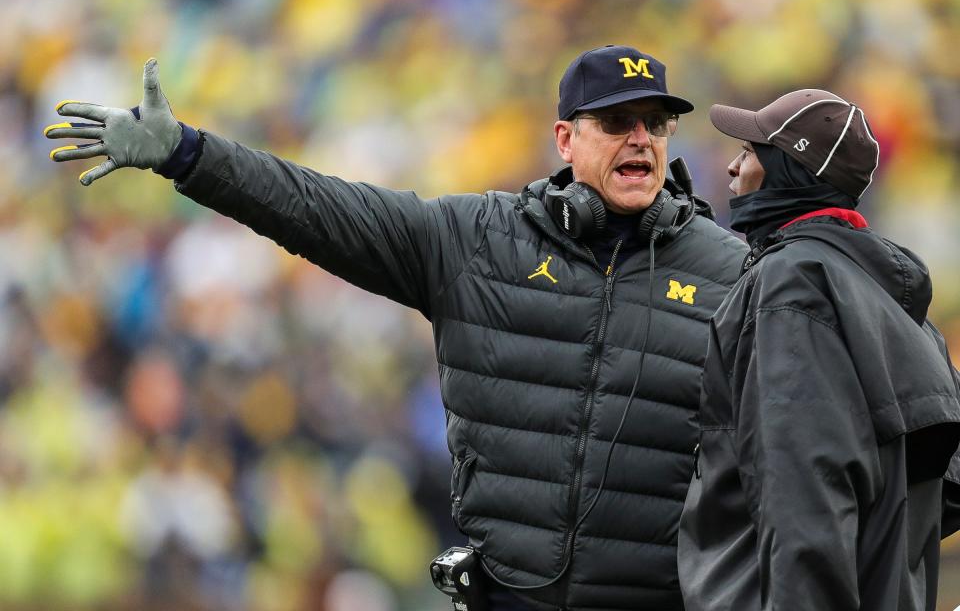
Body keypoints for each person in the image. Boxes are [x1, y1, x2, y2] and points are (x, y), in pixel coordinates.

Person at [45, 45, 747, 610]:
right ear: (565, 139)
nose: (641, 139)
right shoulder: (479, 241)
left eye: (655, 123)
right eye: (617, 121)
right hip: (507, 595)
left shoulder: (731, 272)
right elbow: (316, 208)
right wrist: (190, 155)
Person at [678, 89, 960, 611]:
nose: (735, 168)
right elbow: (947, 484)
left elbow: (803, 493)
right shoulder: (895, 298)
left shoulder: (793, 281)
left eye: (750, 152)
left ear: (788, 168)